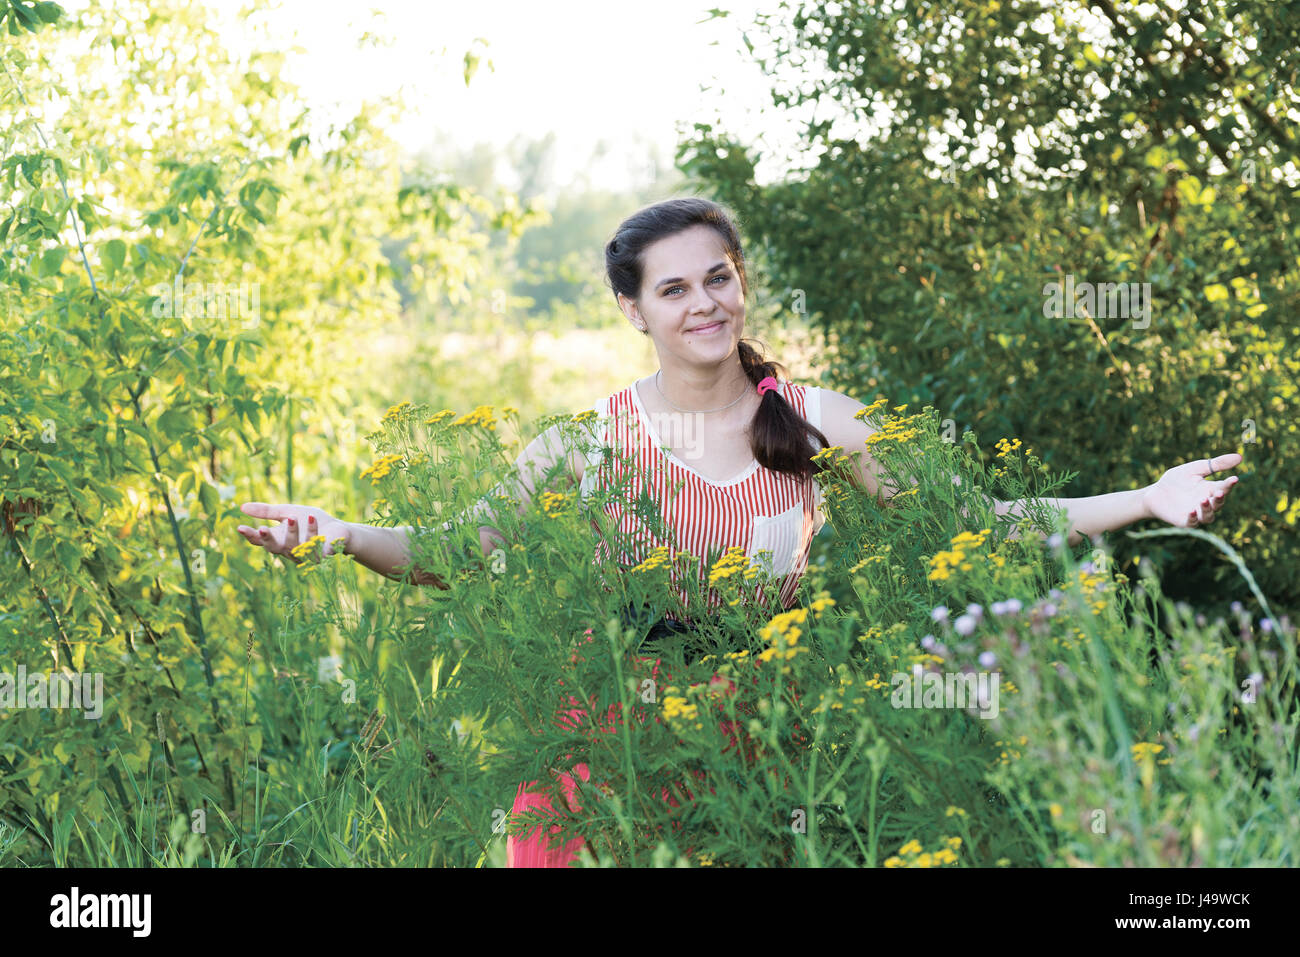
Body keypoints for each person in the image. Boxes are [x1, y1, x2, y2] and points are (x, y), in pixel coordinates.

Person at [237, 196, 1242, 867]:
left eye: (716, 278)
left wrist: (1146, 499)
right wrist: (340, 532)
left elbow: (973, 519)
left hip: (763, 756)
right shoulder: (586, 444)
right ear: (632, 309)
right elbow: (456, 550)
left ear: (740, 283)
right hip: (603, 765)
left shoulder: (813, 418)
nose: (702, 303)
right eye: (672, 289)